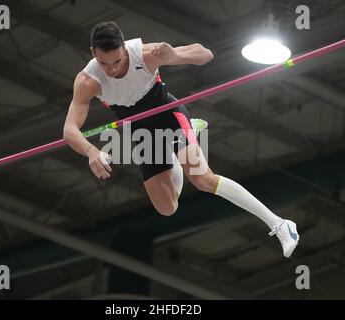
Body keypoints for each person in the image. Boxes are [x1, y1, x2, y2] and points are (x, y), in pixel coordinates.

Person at [63, 21, 299, 257]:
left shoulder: (144, 54)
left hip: (168, 114)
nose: (112, 70)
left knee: (202, 179)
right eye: (104, 63)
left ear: (124, 49)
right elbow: (70, 130)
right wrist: (91, 151)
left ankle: (279, 224)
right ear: (93, 53)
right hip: (142, 132)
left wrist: (173, 55)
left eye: (116, 61)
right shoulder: (87, 81)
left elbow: (205, 54)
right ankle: (177, 151)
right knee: (167, 208)